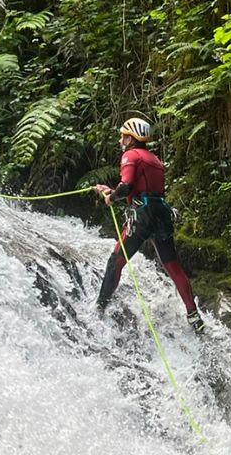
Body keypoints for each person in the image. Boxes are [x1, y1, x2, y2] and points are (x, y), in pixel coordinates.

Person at [93, 117, 205, 333]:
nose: (120, 139)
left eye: (123, 136)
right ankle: (194, 316)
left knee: (116, 260)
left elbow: (126, 186)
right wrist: (111, 191)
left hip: (142, 215)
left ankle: (100, 308)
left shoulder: (130, 155)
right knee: (172, 266)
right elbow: (144, 187)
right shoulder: (155, 159)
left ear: (130, 138)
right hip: (161, 213)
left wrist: (110, 197)